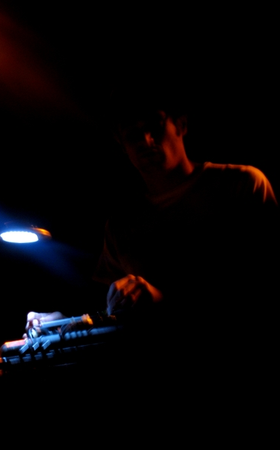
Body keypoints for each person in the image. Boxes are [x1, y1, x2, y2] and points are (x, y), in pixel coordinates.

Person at [24, 80, 279, 443]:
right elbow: (105, 307)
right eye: (132, 135)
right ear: (121, 144)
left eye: (154, 128)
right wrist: (61, 321)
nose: (145, 142)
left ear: (181, 125)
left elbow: (264, 291)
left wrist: (162, 301)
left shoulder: (241, 186)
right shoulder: (123, 223)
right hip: (152, 398)